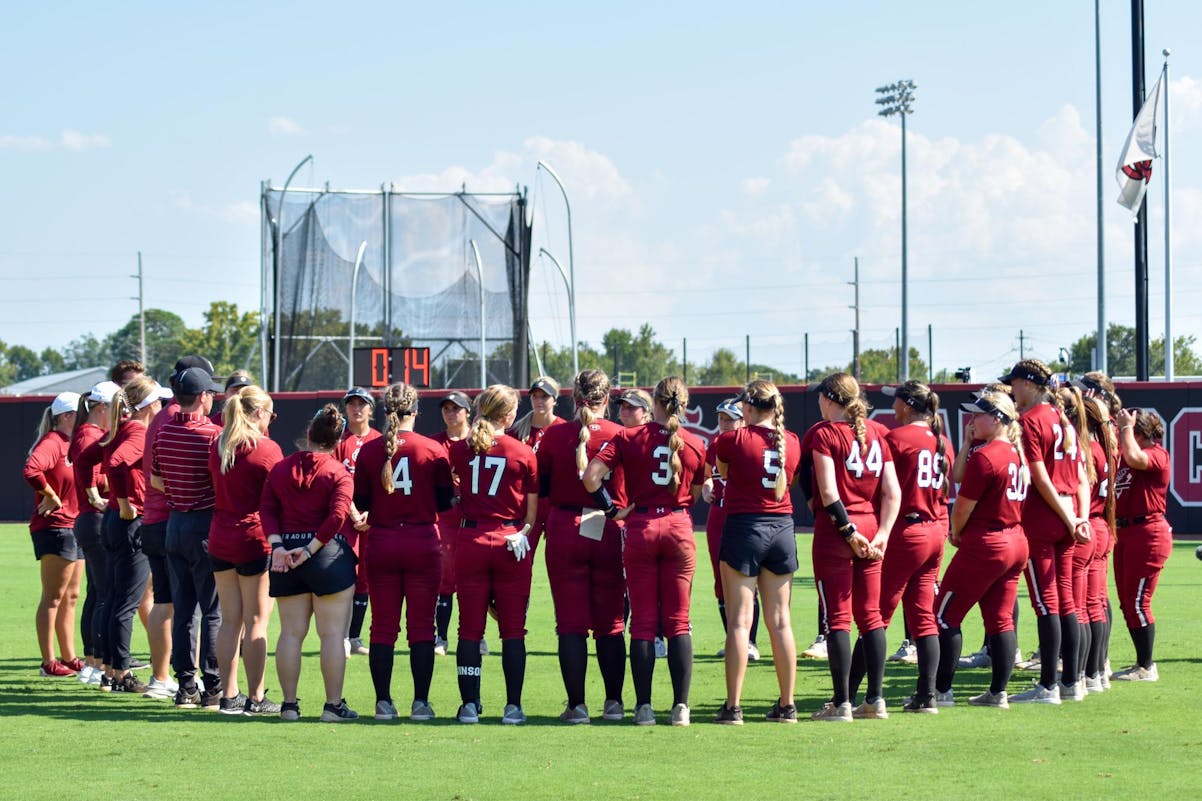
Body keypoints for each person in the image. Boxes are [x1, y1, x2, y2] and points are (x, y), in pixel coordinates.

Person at [584, 376, 706, 727]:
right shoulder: (695, 443)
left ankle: (644, 707)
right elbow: (695, 495)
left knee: (642, 623)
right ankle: (681, 707)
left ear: (654, 402)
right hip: (678, 526)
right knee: (678, 621)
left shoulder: (628, 437)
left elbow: (591, 478)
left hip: (641, 527)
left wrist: (611, 510)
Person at [800, 372, 900, 722]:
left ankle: (842, 703)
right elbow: (892, 492)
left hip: (837, 531)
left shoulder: (826, 433)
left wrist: (847, 530)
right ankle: (875, 699)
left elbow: (827, 492)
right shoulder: (878, 433)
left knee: (837, 619)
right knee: (871, 616)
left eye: (820, 397)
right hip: (872, 527)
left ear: (830, 399)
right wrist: (883, 533)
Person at [353, 382, 454, 721]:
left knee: (382, 628)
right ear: (415, 412)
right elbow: (444, 503)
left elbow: (362, 503)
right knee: (422, 628)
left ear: (385, 411)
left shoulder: (369, 451)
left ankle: (383, 703)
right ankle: (420, 704)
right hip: (422, 542)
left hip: (382, 542)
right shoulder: (433, 450)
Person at [536, 369, 629, 724]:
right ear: (608, 398)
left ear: (573, 399)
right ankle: (614, 703)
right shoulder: (621, 434)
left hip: (565, 526)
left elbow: (542, 489)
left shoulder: (554, 435)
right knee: (611, 623)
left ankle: (577, 706)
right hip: (607, 525)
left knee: (570, 624)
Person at [446, 385, 539, 724]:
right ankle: (513, 707)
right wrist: (522, 534)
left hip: (471, 539)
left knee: (469, 629)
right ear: (509, 415)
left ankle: (469, 705)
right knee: (513, 629)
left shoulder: (460, 450)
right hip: (509, 540)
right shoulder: (523, 452)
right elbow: (530, 517)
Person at [932, 390, 1030, 709]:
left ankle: (941, 691)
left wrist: (956, 531)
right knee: (1001, 620)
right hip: (1015, 541)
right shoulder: (1014, 452)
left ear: (998, 419)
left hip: (988, 542)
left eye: (979, 415)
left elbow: (962, 507)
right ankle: (998, 693)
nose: (972, 420)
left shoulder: (988, 456)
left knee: (944, 616)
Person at [1001, 360, 1091, 704]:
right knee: (1066, 599)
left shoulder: (1030, 420)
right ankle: (1072, 682)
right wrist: (1078, 516)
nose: (1012, 388)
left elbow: (1039, 476)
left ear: (1028, 383)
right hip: (1068, 512)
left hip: (1043, 516)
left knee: (1045, 602)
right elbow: (1082, 475)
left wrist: (1070, 519)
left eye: (1016, 383)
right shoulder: (1063, 419)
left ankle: (1049, 686)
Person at [261, 404, 359, 722]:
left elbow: (267, 510)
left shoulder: (281, 468)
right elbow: (338, 516)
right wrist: (311, 548)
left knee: (291, 633)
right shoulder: (338, 471)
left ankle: (289, 706)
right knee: (332, 635)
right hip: (326, 557)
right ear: (338, 439)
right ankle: (332, 706)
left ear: (308, 434)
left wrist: (278, 547)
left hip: (286, 554)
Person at [713, 379, 801, 724]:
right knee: (781, 622)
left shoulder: (731, 439)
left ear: (747, 408)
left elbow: (724, 472)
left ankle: (733, 707)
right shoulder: (791, 442)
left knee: (738, 622)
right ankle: (787, 704)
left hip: (744, 528)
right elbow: (788, 482)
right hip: (781, 528)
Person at [876, 381, 954, 713]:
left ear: (908, 405)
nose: (892, 407)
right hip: (936, 528)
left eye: (896, 401)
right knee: (924, 616)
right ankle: (927, 696)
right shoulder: (943, 441)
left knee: (876, 615)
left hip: (908, 531)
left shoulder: (895, 439)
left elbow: (882, 488)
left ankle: (859, 696)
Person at [152, 365, 224, 709]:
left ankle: (185, 687)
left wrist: (180, 492)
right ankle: (212, 686)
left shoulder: (164, 432)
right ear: (203, 397)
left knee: (183, 611)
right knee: (212, 611)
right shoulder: (212, 435)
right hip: (203, 525)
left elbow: (155, 481)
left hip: (174, 524)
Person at [208, 385, 283, 715]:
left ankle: (228, 694)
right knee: (256, 621)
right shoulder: (266, 449)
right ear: (258, 413)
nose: (271, 419)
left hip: (221, 536)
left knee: (229, 620)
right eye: (269, 413)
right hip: (253, 538)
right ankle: (255, 697)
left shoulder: (219, 444)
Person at [100, 376, 170, 693]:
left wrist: (95, 493)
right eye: (159, 401)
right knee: (126, 603)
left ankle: (111, 670)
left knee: (116, 599)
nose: (163, 406)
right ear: (149, 404)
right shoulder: (139, 430)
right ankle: (120, 675)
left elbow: (92, 457)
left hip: (116, 519)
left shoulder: (126, 428)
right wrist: (126, 502)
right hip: (129, 521)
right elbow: (113, 463)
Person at [24, 392, 84, 677]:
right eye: (79, 413)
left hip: (76, 525)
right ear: (65, 416)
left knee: (72, 595)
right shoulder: (53, 442)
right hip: (55, 526)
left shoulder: (74, 443)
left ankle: (69, 657)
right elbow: (32, 469)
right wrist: (50, 494)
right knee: (53, 597)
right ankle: (48, 662)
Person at [1110, 407, 1171, 682]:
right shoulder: (1125, 457)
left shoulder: (1158, 454)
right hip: (1125, 532)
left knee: (1138, 602)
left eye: (1132, 430)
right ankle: (1140, 664)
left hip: (1148, 532)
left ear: (1141, 433)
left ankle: (1147, 666)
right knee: (1127, 601)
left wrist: (1124, 429)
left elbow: (1135, 457)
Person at [702, 399, 762, 661]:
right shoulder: (715, 445)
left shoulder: (749, 444)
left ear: (743, 420)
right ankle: (732, 639)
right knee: (721, 580)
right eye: (722, 418)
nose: (725, 423)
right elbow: (706, 474)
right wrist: (705, 485)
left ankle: (750, 641)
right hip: (719, 514)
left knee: (749, 580)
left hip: (745, 516)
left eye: (731, 419)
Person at [69, 382, 118, 685]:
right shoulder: (91, 436)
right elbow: (99, 482)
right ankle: (98, 663)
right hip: (96, 519)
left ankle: (92, 661)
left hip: (89, 520)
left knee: (98, 593)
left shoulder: (88, 434)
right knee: (104, 594)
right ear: (102, 408)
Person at [337, 387, 381, 657]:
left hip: (372, 519)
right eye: (352, 404)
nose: (357, 409)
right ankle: (340, 635)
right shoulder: (339, 440)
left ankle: (354, 636)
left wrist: (370, 513)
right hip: (343, 518)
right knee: (344, 577)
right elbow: (334, 479)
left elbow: (386, 482)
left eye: (362, 404)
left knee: (364, 579)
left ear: (370, 409)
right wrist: (353, 512)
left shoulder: (379, 440)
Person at [430, 390, 473, 656]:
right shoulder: (435, 443)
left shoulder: (478, 440)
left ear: (467, 412)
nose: (451, 412)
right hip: (445, 518)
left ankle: (473, 636)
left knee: (473, 580)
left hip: (473, 517)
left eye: (456, 408)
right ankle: (442, 637)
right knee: (445, 579)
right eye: (446, 408)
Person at [1079, 395, 1116, 693]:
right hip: (1101, 525)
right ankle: (1097, 671)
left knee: (1082, 606)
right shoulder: (1104, 447)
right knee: (1095, 603)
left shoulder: (1089, 450)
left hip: (1088, 525)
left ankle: (1086, 673)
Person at [511, 376, 564, 556]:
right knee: (522, 557)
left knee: (559, 558)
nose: (539, 401)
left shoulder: (565, 429)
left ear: (555, 400)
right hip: (525, 503)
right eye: (535, 396)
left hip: (555, 502)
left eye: (545, 396)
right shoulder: (517, 431)